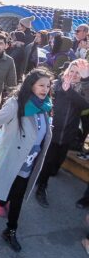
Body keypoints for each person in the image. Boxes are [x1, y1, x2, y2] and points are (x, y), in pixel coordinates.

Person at [0, 68, 54, 252]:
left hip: (29, 160)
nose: (45, 89)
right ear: (31, 85)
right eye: (41, 85)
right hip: (11, 155)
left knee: (18, 195)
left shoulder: (45, 106)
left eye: (48, 85)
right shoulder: (16, 104)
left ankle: (10, 230)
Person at [35, 59, 89, 207]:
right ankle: (41, 188)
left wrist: (83, 82)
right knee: (48, 160)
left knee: (56, 163)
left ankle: (41, 178)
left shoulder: (83, 88)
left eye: (78, 73)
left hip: (68, 134)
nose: (74, 75)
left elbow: (85, 104)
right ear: (66, 71)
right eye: (71, 71)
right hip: (52, 131)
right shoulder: (57, 84)